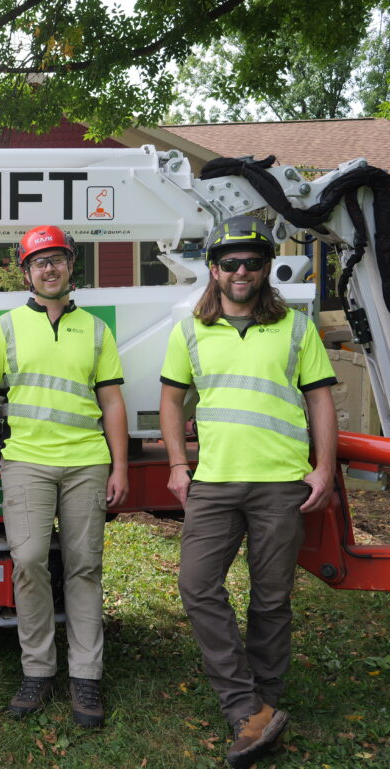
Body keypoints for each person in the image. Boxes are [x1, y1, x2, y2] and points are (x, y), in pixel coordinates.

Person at [159, 215, 338, 769]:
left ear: (266, 270)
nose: (242, 271)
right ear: (213, 270)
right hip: (213, 481)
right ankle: (247, 705)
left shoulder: (296, 328)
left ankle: (263, 704)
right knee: (196, 585)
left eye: (253, 263)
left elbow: (320, 400)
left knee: (271, 598)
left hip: (281, 482)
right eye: (230, 263)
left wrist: (325, 468)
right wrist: (176, 463)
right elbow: (171, 401)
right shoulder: (191, 328)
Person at [0, 225, 128, 727]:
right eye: (39, 262)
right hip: (27, 461)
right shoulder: (6, 327)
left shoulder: (97, 329)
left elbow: (112, 400)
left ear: (70, 265)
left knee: (83, 567)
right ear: (26, 271)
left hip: (86, 462)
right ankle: (37, 670)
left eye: (56, 259)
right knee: (30, 561)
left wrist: (119, 464)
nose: (49, 268)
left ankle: (86, 678)